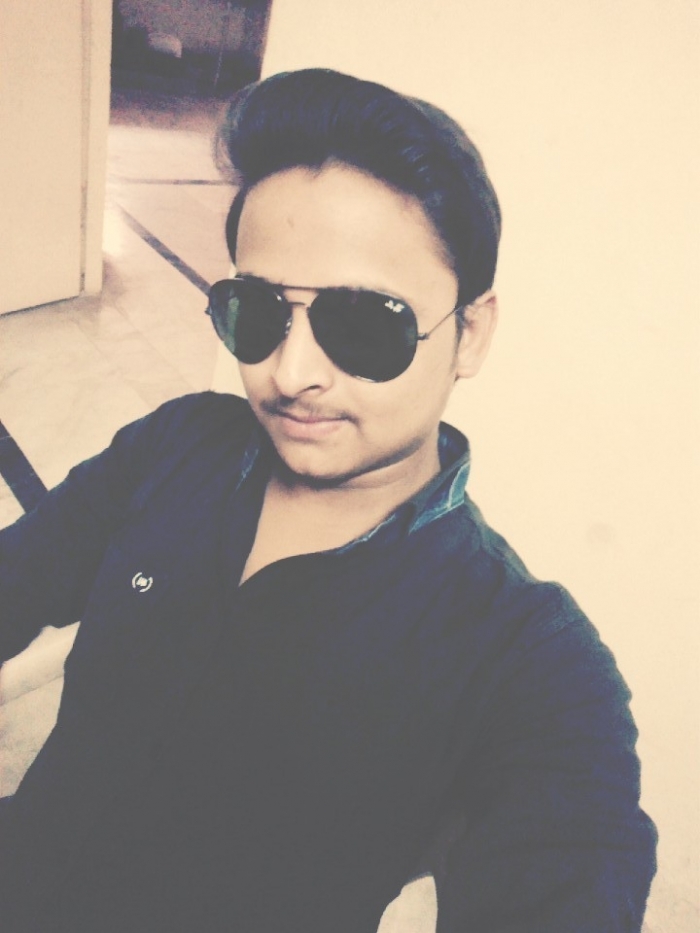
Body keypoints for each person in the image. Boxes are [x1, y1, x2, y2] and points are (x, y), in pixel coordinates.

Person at [0, 68, 656, 932]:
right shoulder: (178, 443)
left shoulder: (529, 659)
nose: (291, 372)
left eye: (365, 324)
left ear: (471, 332)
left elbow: (568, 866)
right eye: (256, 311)